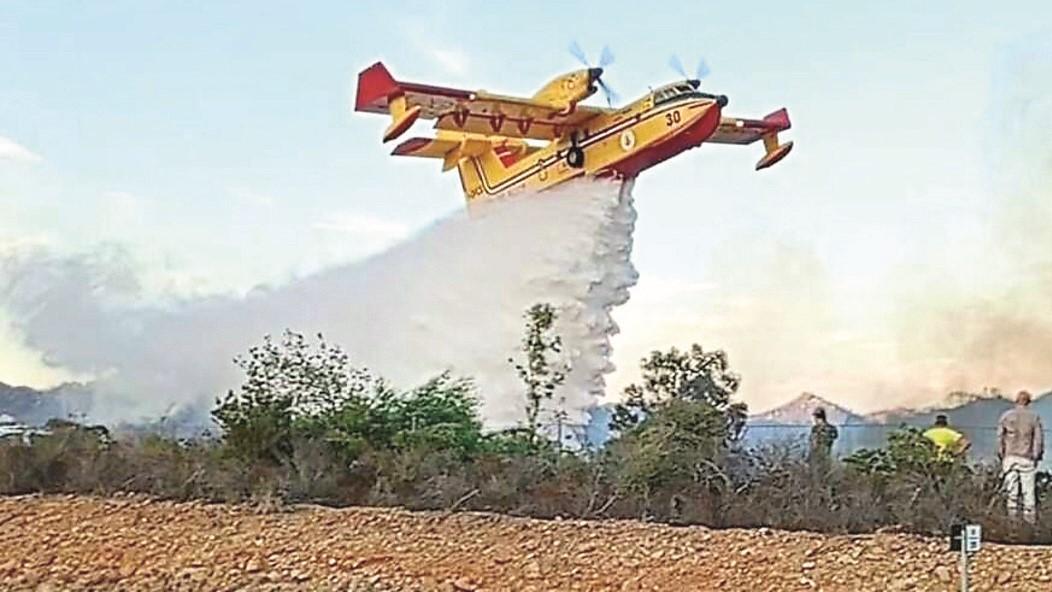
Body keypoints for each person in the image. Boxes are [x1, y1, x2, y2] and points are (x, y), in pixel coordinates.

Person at [998, 390, 1045, 523]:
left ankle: (1012, 523)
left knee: (1011, 492)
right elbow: (1038, 439)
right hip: (1026, 457)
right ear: (1029, 402)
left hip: (1010, 456)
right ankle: (1029, 523)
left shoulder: (1006, 416)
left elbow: (1000, 437)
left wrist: (1002, 454)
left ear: (1016, 401)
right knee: (1028, 493)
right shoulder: (1033, 417)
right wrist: (1036, 455)